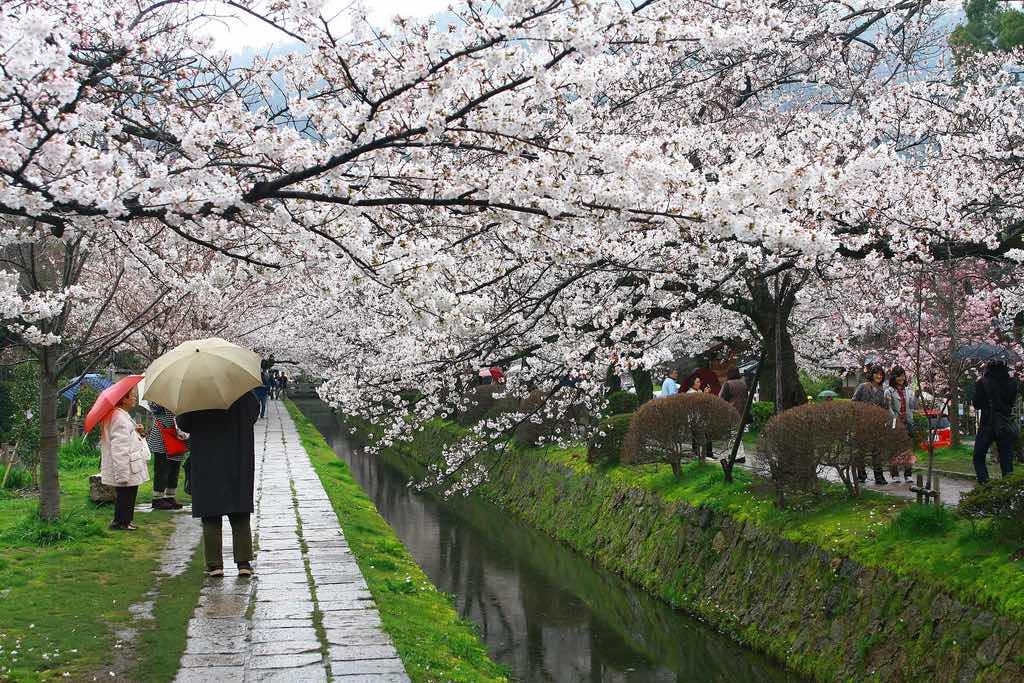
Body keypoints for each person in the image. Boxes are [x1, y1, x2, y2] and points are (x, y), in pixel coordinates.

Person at [177, 391, 260, 577]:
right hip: (237, 453)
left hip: (207, 456)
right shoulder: (240, 388)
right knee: (239, 511)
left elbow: (184, 423)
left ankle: (215, 565)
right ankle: (244, 563)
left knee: (210, 512)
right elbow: (254, 412)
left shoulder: (195, 392)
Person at [99, 386, 150, 530]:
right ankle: (121, 522)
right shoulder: (119, 418)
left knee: (129, 493)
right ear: (123, 400)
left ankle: (125, 520)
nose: (134, 398)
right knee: (125, 494)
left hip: (130, 462)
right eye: (131, 396)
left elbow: (127, 438)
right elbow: (119, 447)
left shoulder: (121, 415)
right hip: (126, 464)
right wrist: (122, 473)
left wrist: (137, 432)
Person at [972, 359, 1020, 484]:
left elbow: (976, 405)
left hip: (987, 425)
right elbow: (1011, 403)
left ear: (988, 366)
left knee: (978, 457)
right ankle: (1008, 490)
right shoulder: (1013, 383)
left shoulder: (982, 382)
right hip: (1005, 424)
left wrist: (978, 388)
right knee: (1006, 460)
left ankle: (985, 486)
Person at [852, 364, 889, 485]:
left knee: (877, 451)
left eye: (881, 374)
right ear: (871, 375)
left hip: (877, 425)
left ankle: (879, 477)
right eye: (876, 373)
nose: (879, 376)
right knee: (861, 451)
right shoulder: (863, 387)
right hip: (862, 423)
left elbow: (886, 409)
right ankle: (861, 475)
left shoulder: (884, 390)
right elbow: (853, 403)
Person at [147, 403, 185, 509]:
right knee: (162, 469)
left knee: (174, 470)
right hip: (162, 438)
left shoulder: (179, 397)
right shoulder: (158, 399)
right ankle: (157, 498)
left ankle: (170, 496)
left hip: (177, 437)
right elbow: (165, 417)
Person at [884, 366, 917, 483]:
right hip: (894, 422)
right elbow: (888, 408)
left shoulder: (908, 390)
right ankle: (894, 474)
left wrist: (916, 396)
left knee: (908, 449)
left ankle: (908, 474)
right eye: (898, 376)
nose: (901, 378)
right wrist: (896, 419)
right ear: (894, 377)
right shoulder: (888, 391)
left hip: (908, 422)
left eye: (902, 375)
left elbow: (913, 406)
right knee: (895, 449)